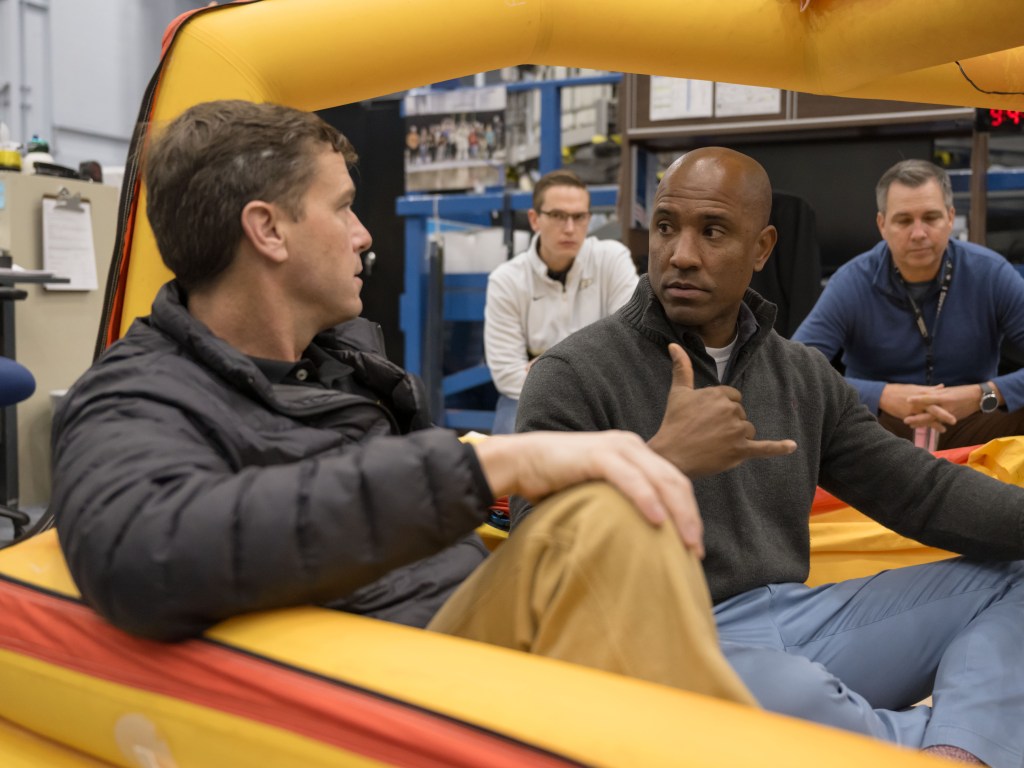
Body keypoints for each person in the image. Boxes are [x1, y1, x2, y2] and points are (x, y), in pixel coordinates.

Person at [47, 100, 753, 706]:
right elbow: (146, 552)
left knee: (614, 514)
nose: (364, 235)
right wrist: (489, 464)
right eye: (344, 208)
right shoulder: (135, 394)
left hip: (452, 631)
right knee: (606, 525)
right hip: (392, 685)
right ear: (268, 230)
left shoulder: (338, 368)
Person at [514, 146, 1024, 767]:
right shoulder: (574, 373)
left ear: (761, 249)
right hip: (668, 642)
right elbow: (535, 568)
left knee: (1016, 576)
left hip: (796, 621)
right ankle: (961, 737)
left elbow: (922, 493)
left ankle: (954, 749)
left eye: (714, 231)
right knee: (793, 694)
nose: (681, 254)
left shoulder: (800, 374)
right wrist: (662, 461)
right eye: (668, 226)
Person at [793, 159, 1024, 449]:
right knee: (800, 410)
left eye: (931, 217)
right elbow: (795, 371)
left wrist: (983, 394)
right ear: (882, 224)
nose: (918, 234)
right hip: (876, 430)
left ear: (950, 218)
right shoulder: (851, 281)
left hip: (973, 421)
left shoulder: (991, 273)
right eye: (904, 220)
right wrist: (881, 396)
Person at [484, 169, 637, 433]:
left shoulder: (612, 260)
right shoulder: (506, 280)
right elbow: (507, 374)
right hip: (529, 395)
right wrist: (590, 368)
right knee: (509, 448)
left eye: (579, 217)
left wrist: (546, 367)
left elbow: (631, 345)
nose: (570, 228)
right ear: (534, 219)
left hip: (600, 395)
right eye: (557, 216)